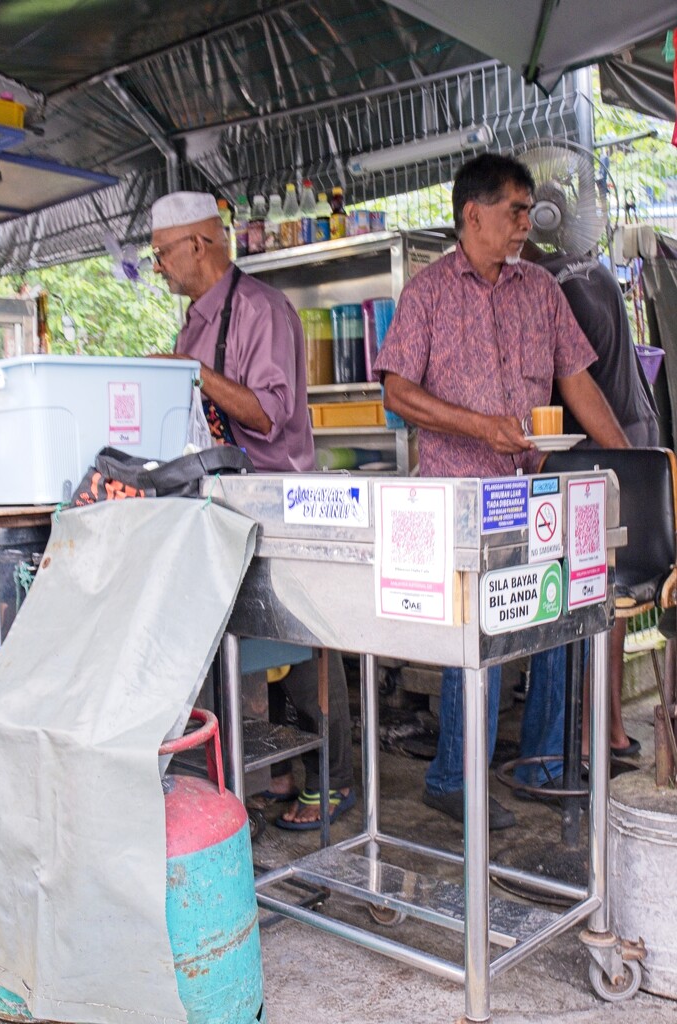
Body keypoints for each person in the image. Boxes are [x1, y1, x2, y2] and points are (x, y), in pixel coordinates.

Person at [372, 153, 628, 829]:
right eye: (515, 209)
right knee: (475, 645)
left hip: (535, 492)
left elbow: (577, 382)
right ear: (472, 214)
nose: (527, 222)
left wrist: (632, 465)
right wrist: (479, 426)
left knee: (556, 623)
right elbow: (397, 390)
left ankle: (542, 764)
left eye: (528, 209)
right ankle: (453, 777)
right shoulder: (428, 293)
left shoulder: (539, 291)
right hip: (461, 500)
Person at [150, 190, 355, 829]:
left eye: (161, 255)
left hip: (279, 499)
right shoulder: (195, 321)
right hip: (225, 503)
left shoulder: (262, 310)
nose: (159, 267)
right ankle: (288, 772)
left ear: (198, 244)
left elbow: (267, 411)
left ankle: (336, 781)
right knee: (256, 642)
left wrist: (190, 373)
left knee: (305, 641)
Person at [516, 241, 660, 788]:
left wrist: (617, 462)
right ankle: (609, 731)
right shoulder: (594, 270)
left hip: (600, 450)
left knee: (588, 593)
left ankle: (581, 737)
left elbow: (572, 387)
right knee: (613, 596)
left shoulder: (546, 286)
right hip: (633, 435)